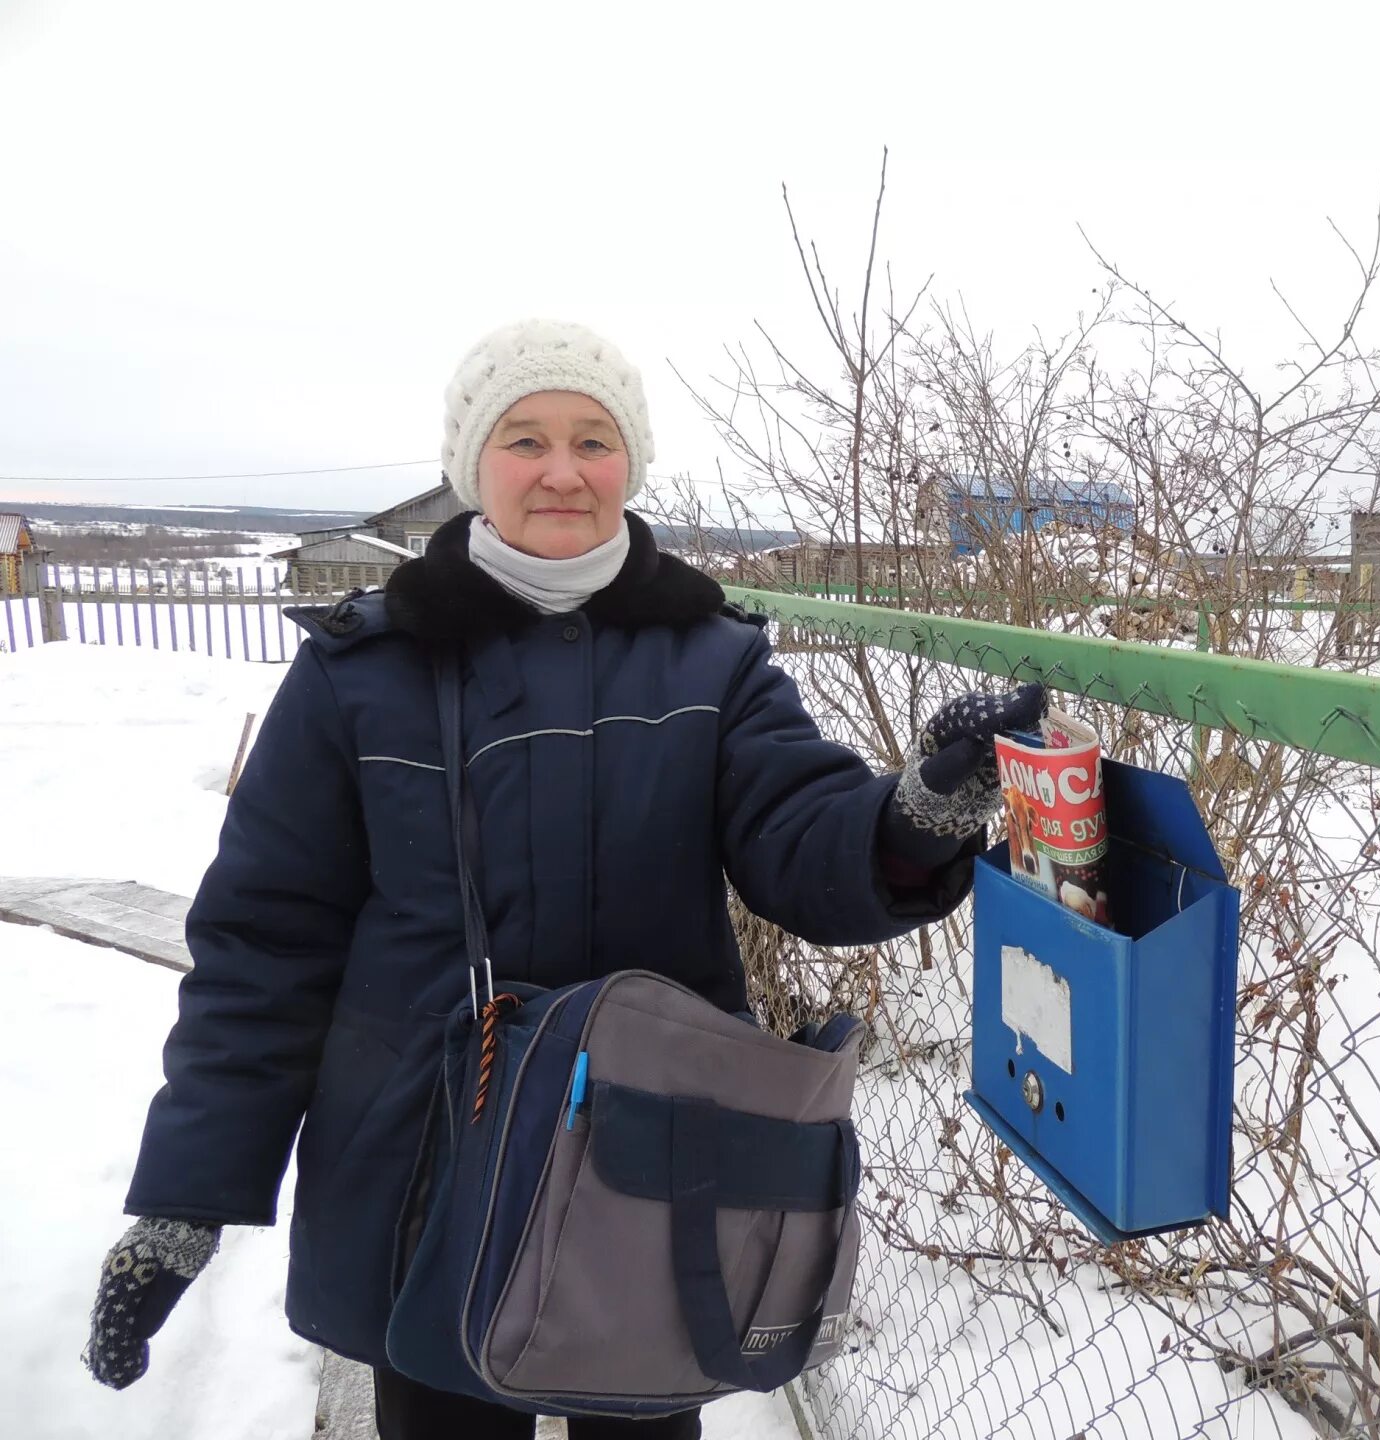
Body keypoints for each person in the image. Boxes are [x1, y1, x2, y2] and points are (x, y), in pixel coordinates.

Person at [84, 318, 1042, 1438]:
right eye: (525, 438)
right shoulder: (363, 669)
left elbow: (801, 831)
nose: (561, 470)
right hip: (424, 1167)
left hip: (650, 1155)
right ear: (471, 466)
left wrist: (922, 811)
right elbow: (264, 945)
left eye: (593, 439)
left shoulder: (711, 658)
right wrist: (183, 1201)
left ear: (629, 463)